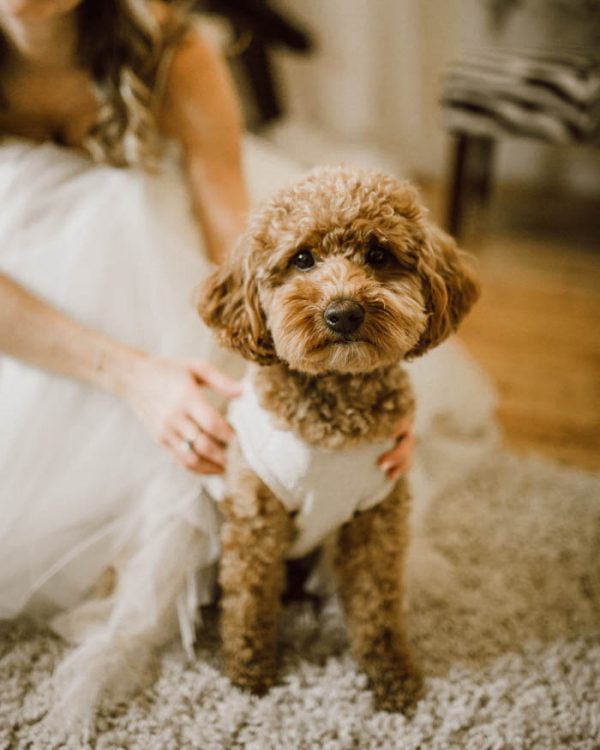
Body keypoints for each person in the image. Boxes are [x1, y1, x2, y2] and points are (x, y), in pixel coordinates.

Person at [0, 0, 418, 718]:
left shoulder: (172, 47)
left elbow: (237, 240)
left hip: (160, 267)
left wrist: (341, 367)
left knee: (124, 209)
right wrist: (132, 376)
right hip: (29, 318)